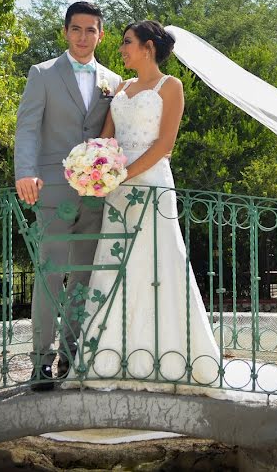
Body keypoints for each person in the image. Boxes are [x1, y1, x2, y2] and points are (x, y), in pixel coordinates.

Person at [72, 21, 225, 393]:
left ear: (149, 47)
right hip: (119, 191)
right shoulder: (120, 89)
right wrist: (96, 168)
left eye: (127, 42)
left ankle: (171, 361)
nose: (122, 49)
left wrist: (122, 174)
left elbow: (164, 145)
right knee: (116, 266)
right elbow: (106, 139)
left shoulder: (170, 86)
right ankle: (108, 360)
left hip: (152, 185)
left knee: (158, 264)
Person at [14, 1, 123, 391]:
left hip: (96, 194)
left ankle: (71, 354)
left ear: (100, 34)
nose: (82, 36)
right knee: (49, 275)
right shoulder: (42, 74)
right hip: (52, 189)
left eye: (90, 30)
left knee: (83, 277)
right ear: (65, 32)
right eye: (76, 29)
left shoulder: (113, 81)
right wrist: (24, 171)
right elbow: (27, 127)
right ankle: (40, 362)